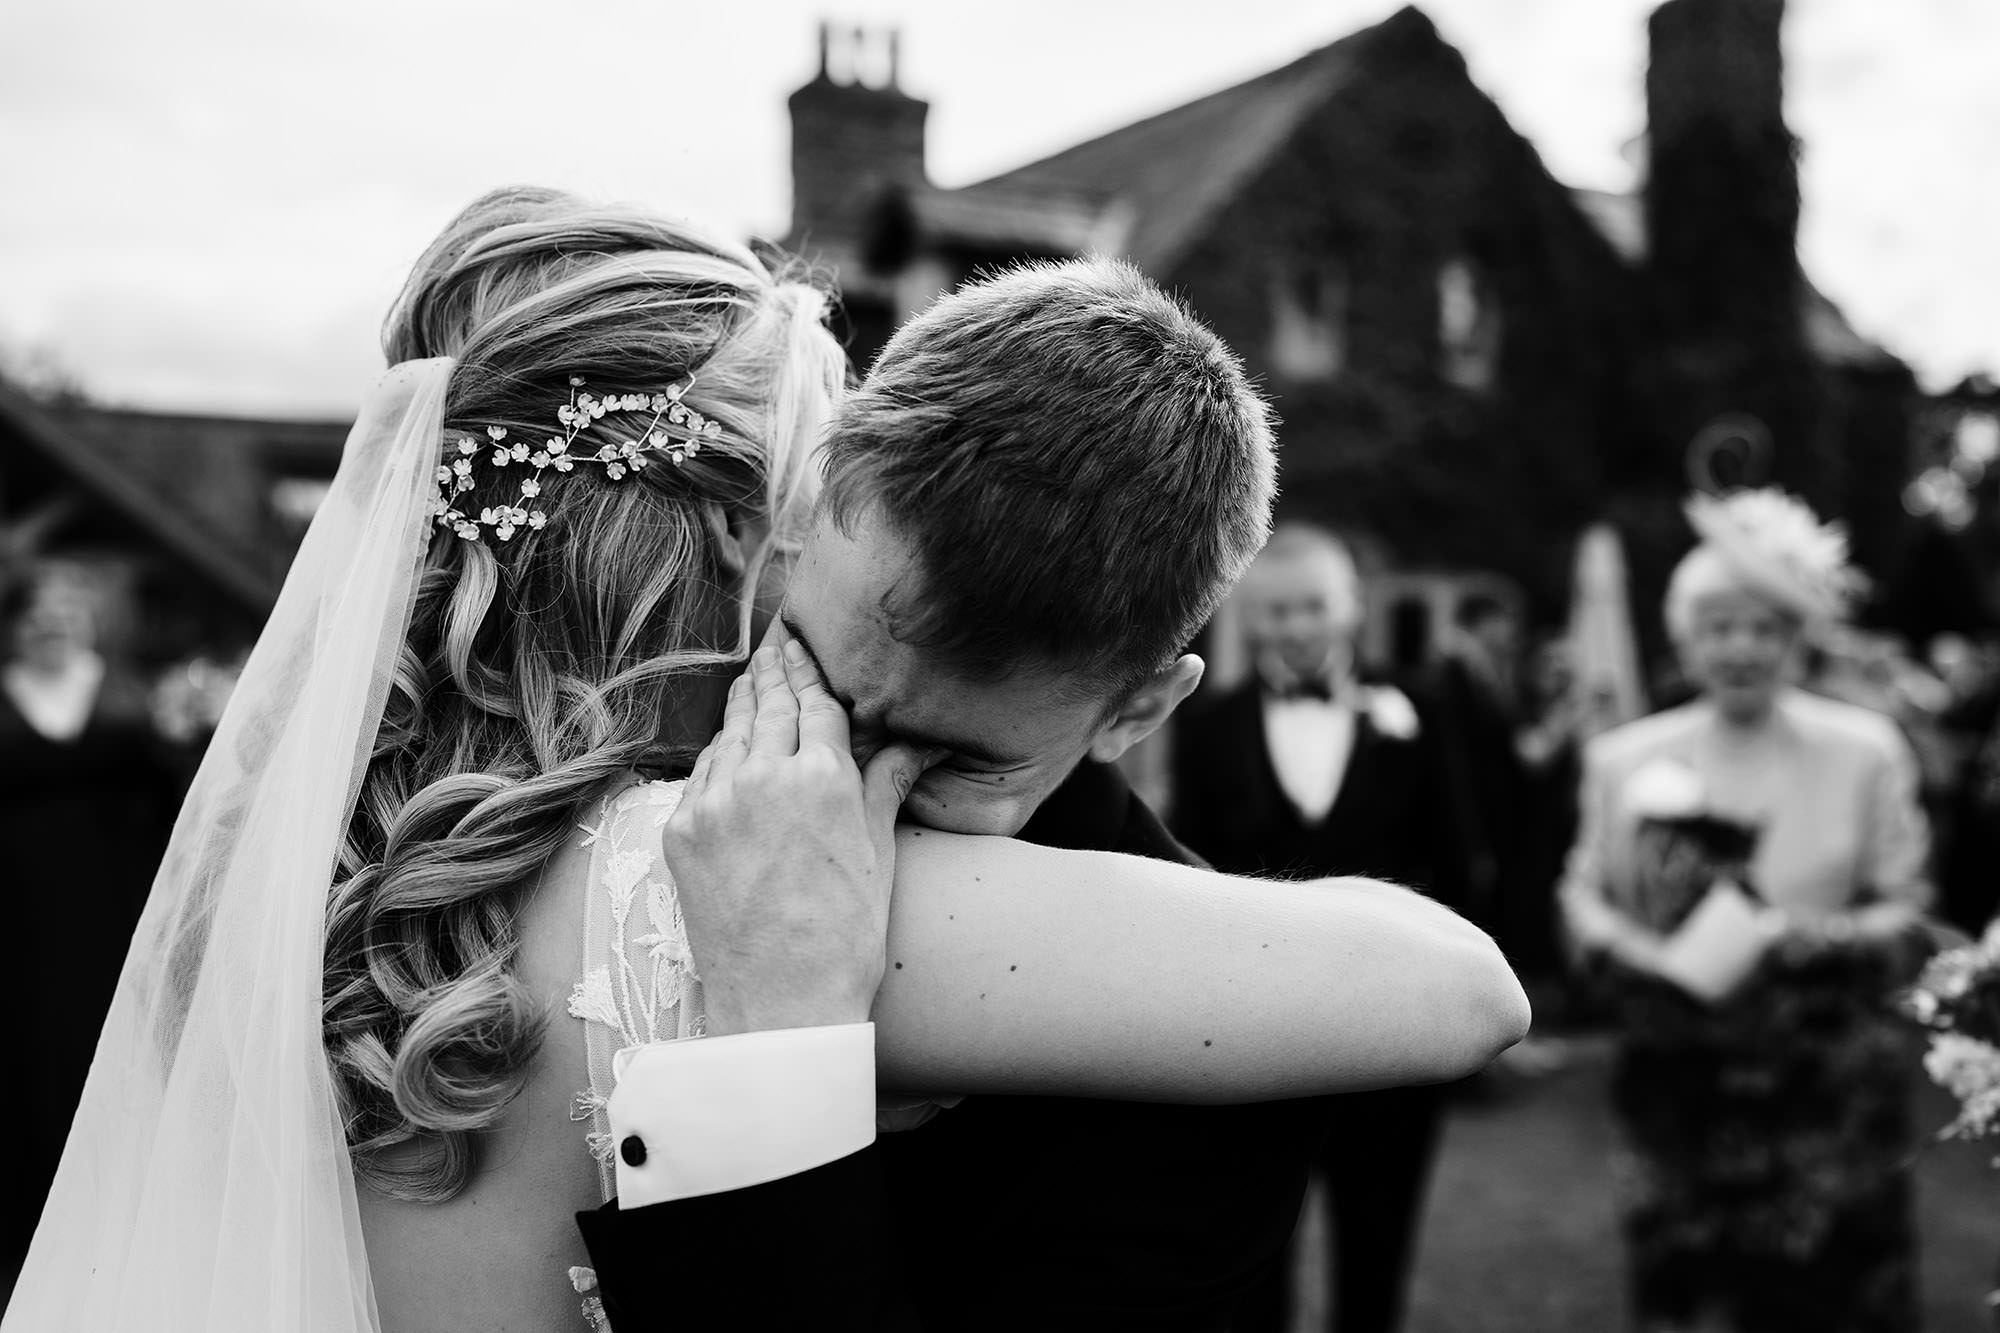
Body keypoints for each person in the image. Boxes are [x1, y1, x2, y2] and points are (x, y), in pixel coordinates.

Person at [3, 191, 1526, 1333]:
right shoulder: (703, 883)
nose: (858, 758)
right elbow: (1452, 987)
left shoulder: (290, 874)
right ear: (751, 535)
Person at [577, 264, 1523, 1332]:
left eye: (953, 759)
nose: (832, 785)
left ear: (1135, 709)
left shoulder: (1215, 1081)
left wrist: (778, 1047)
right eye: (815, 683)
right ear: (806, 521)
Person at [1559, 489, 1936, 1333]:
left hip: (1827, 1092)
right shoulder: (1624, 761)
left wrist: (1814, 936)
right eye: (1719, 625)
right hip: (1677, 1086)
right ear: (1685, 637)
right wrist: (1638, 953)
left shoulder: (1866, 749)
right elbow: (1582, 892)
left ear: (1798, 640)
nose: (1742, 647)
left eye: (1765, 627)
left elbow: (1906, 911)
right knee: (1692, 1303)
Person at [1168, 525, 1464, 1333]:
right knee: (1254, 1254)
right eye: (1276, 610)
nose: (1296, 628)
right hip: (1259, 1038)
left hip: (1394, 1029)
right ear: (1247, 616)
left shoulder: (1424, 711)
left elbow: (1458, 860)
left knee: (1379, 1245)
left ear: (1352, 610)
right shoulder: (1207, 724)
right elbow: (1192, 874)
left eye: (1313, 607)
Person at [0, 566, 176, 1272]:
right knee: (26, 1042)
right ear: (14, 623)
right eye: (40, 610)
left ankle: (113, 1204)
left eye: (69, 607)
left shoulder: (131, 692)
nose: (54, 621)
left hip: (112, 904)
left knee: (103, 1033)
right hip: (17, 912)